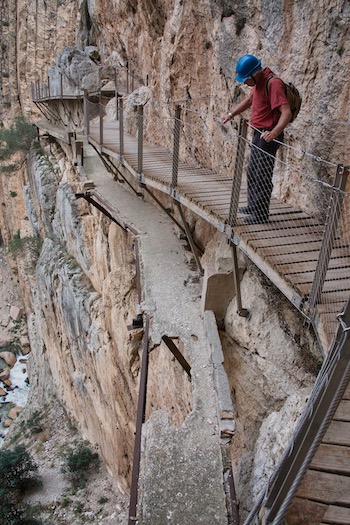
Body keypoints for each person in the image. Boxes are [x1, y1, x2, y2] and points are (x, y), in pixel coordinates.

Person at [222, 54, 292, 224]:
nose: (244, 82)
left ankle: (260, 214)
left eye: (246, 79)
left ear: (255, 73)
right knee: (253, 171)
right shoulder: (260, 83)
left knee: (262, 174)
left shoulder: (273, 83)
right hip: (258, 134)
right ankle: (253, 206)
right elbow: (248, 101)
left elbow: (286, 112)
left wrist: (274, 133)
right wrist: (231, 114)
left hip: (267, 136)